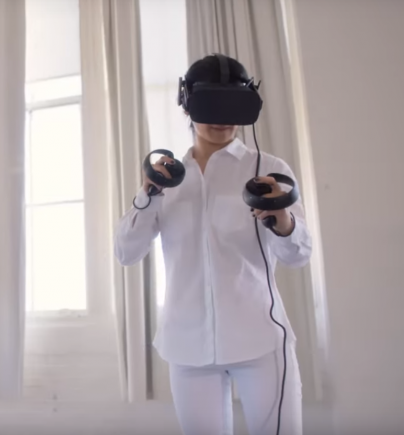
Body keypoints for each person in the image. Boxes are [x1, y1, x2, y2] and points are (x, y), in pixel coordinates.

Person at [114, 54, 312, 435]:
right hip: (187, 348)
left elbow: (299, 256)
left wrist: (283, 219)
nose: (222, 118)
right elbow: (126, 252)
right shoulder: (167, 180)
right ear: (186, 103)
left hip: (260, 340)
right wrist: (147, 195)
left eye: (231, 104)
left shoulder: (269, 171)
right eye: (210, 104)